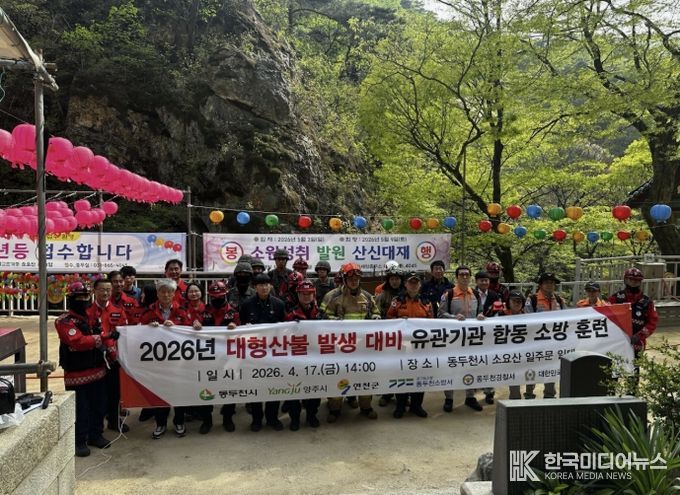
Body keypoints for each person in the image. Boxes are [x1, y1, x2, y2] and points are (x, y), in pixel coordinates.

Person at [56, 281, 115, 457]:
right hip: (76, 373)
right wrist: (102, 337)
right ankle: (79, 441)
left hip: (98, 370)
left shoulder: (92, 317)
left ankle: (95, 435)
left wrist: (108, 343)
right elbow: (77, 341)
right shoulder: (64, 321)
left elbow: (101, 333)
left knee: (99, 406)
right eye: (79, 297)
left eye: (85, 297)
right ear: (71, 299)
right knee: (80, 409)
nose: (83, 300)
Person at [320, 262, 380, 422]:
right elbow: (322, 318)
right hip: (339, 348)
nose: (354, 281)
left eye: (357, 278)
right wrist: (334, 322)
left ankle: (366, 407)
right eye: (351, 278)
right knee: (339, 376)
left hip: (362, 347)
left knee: (364, 376)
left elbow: (376, 312)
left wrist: (375, 318)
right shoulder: (332, 296)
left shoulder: (367, 297)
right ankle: (335, 408)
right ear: (344, 278)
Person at [140, 279, 195, 439]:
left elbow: (190, 331)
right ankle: (161, 423)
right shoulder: (149, 310)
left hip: (178, 360)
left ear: (173, 294)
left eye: (169, 292)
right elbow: (139, 331)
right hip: (157, 361)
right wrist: (148, 328)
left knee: (179, 392)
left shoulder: (182, 310)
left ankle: (179, 421)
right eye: (162, 291)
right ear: (157, 293)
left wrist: (176, 327)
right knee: (160, 392)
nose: (166, 294)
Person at [240, 273, 287, 431]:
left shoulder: (279, 304)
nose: (264, 287)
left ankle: (272, 418)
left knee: (274, 386)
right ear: (255, 287)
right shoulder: (246, 305)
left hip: (274, 353)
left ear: (271, 286)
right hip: (254, 354)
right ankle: (257, 419)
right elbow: (241, 328)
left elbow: (285, 329)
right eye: (261, 285)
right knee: (256, 387)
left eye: (267, 284)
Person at [438, 265, 486, 412]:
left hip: (471, 338)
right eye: (461, 274)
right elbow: (440, 314)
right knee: (451, 367)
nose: (464, 277)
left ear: (470, 277)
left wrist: (481, 316)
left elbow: (481, 312)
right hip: (453, 339)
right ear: (456, 277)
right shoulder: (449, 294)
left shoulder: (476, 294)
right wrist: (453, 317)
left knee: (470, 366)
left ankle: (470, 397)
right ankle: (449, 398)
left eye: (467, 274)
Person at [386, 272, 433, 418]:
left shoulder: (426, 301)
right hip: (402, 346)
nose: (413, 285)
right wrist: (400, 321)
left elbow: (432, 322)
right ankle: (400, 405)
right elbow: (388, 317)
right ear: (405, 284)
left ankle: (416, 406)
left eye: (416, 282)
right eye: (410, 282)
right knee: (401, 374)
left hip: (421, 347)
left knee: (419, 376)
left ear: (420, 285)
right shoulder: (397, 300)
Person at [87, 277, 130, 434]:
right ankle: (94, 426)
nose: (105, 293)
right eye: (101, 290)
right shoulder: (87, 312)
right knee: (97, 393)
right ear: (94, 291)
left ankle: (114, 420)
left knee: (114, 392)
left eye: (108, 290)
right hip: (94, 358)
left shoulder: (118, 311)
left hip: (113, 358)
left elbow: (125, 334)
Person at [608, 267, 658, 386]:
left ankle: (632, 396)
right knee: (614, 371)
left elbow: (652, 322)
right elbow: (606, 318)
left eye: (636, 280)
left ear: (640, 282)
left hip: (636, 343)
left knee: (634, 372)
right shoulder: (615, 298)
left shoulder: (647, 302)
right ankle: (611, 396)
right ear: (625, 280)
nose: (633, 282)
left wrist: (640, 336)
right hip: (617, 342)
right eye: (631, 279)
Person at [284, 280, 322, 430]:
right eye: (303, 294)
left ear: (314, 295)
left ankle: (312, 415)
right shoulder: (290, 315)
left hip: (315, 359)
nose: (306, 296)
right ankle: (294, 418)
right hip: (296, 359)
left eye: (309, 293)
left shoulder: (321, 314)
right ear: (298, 295)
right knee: (294, 390)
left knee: (314, 389)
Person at [524, 272, 566, 399]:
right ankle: (529, 394)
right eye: (547, 282)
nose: (550, 285)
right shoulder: (532, 299)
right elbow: (527, 319)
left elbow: (567, 318)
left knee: (551, 367)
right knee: (532, 367)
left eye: (552, 283)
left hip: (554, 342)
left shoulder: (559, 300)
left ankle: (549, 395)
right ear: (540, 285)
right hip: (535, 342)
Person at [374, 264, 405, 407]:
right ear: (388, 280)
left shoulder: (407, 293)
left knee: (402, 367)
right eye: (392, 279)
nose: (395, 281)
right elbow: (375, 313)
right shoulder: (382, 295)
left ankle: (403, 395)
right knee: (388, 367)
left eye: (397, 279)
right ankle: (386, 394)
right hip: (387, 338)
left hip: (404, 338)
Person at [493, 291, 528, 400]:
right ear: (508, 302)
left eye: (519, 301)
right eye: (514, 301)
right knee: (513, 376)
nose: (517, 303)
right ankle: (515, 398)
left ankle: (528, 397)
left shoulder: (529, 316)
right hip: (505, 353)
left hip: (524, 351)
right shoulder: (500, 315)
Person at [473, 270, 500, 404]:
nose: (484, 282)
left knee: (489, 362)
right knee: (473, 361)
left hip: (489, 334)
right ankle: (472, 386)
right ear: (476, 281)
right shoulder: (471, 294)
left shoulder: (495, 295)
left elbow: (498, 313)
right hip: (473, 334)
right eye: (481, 280)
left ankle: (489, 391)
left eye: (486, 280)